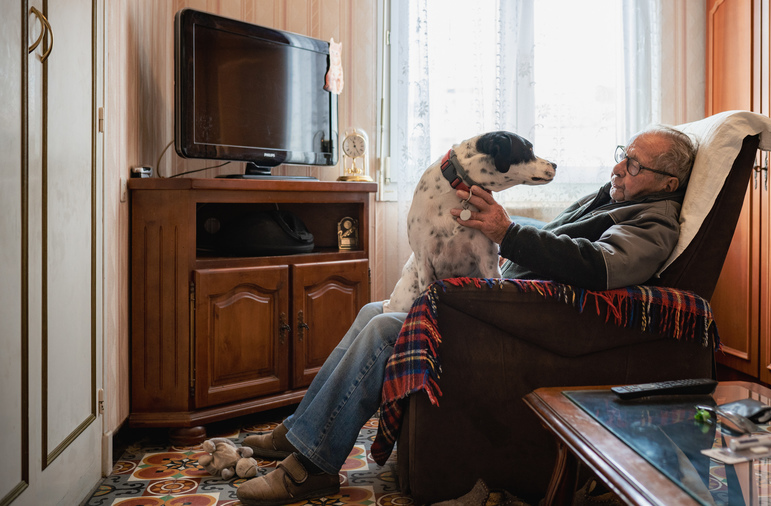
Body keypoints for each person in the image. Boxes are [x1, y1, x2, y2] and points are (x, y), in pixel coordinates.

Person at [235, 125, 696, 505]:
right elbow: (556, 240)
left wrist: (508, 233)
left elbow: (596, 267)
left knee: (382, 331)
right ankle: (296, 433)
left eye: (634, 164)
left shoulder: (653, 222)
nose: (618, 166)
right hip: (500, 300)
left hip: (512, 318)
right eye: (623, 154)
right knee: (372, 311)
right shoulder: (615, 200)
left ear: (667, 184)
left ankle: (312, 465)